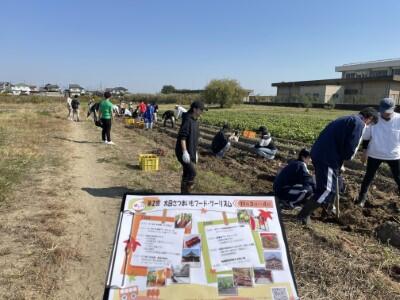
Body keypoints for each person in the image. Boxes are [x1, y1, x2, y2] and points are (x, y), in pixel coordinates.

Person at [297, 107, 379, 225]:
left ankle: (325, 210)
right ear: (369, 118)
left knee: (328, 186)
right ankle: (303, 215)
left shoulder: (348, 118)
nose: (369, 125)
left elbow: (339, 140)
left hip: (320, 153)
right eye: (371, 123)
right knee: (326, 190)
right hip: (328, 157)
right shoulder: (359, 124)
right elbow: (351, 148)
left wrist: (339, 163)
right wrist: (344, 160)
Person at [356, 98, 400, 208]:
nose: (385, 113)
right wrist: (364, 151)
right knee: (368, 177)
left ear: (393, 109)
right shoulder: (375, 119)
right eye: (383, 111)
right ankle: (361, 199)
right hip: (375, 153)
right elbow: (366, 137)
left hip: (394, 155)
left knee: (398, 178)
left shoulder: (399, 119)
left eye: (388, 111)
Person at [175, 101, 207, 194]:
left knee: (187, 172)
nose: (202, 112)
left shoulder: (195, 121)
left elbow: (194, 139)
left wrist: (195, 151)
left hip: (191, 150)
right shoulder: (187, 120)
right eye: (201, 110)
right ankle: (187, 193)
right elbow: (183, 137)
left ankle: (183, 194)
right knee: (193, 173)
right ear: (194, 109)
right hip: (182, 151)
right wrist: (184, 152)